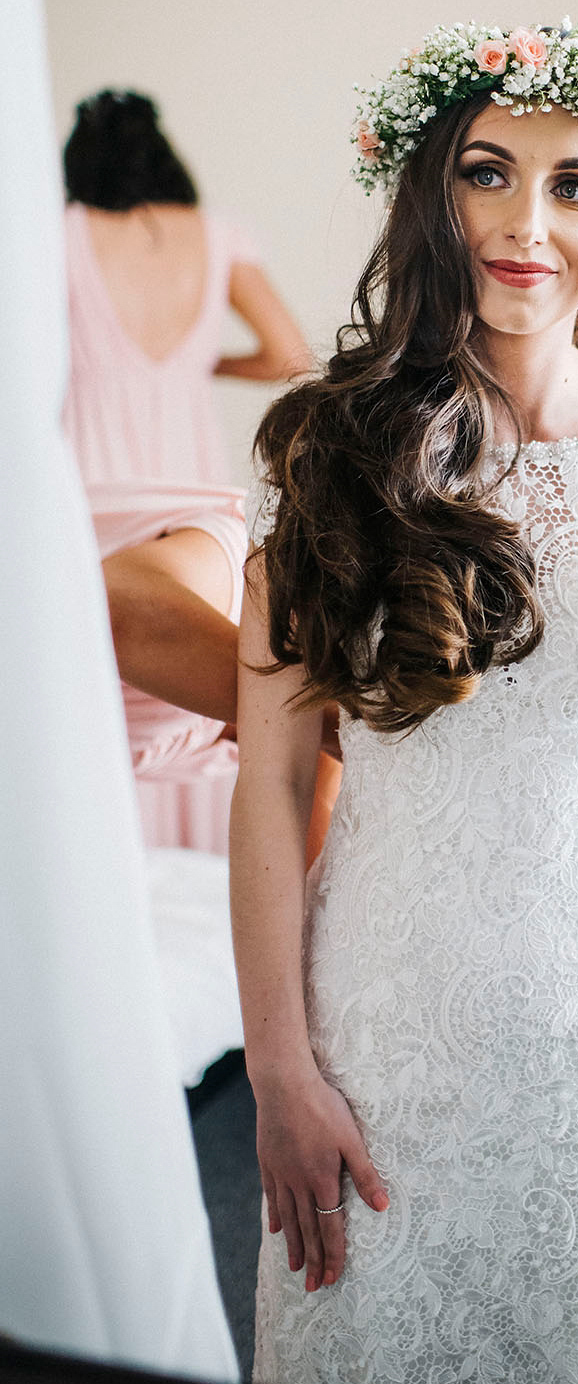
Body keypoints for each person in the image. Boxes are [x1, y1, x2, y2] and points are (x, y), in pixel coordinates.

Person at [232, 20, 578, 1384]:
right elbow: (271, 779)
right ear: (431, 194)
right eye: (487, 172)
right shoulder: (330, 446)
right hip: (382, 1044)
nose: (527, 223)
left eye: (575, 183)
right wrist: (281, 1074)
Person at [62, 88, 315, 852]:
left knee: (96, 666)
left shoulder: (61, 234)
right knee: (198, 649)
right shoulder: (215, 236)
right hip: (186, 467)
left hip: (93, 472)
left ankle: (105, 863)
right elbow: (289, 354)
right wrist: (198, 363)